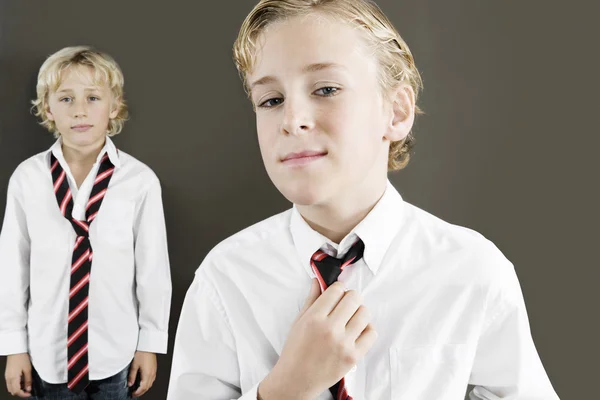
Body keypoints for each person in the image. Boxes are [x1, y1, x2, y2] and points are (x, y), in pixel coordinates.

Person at [167, 1, 559, 398]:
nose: (291, 119)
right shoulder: (225, 279)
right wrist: (287, 388)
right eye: (271, 100)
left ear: (397, 112)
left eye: (326, 89)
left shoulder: (474, 271)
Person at [0, 46, 172, 399]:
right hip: (45, 357)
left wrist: (149, 343)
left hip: (117, 354)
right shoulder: (27, 179)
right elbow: (12, 267)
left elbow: (153, 270)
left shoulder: (139, 181)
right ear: (47, 107)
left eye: (93, 97)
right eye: (65, 98)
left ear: (114, 106)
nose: (79, 110)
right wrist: (14, 346)